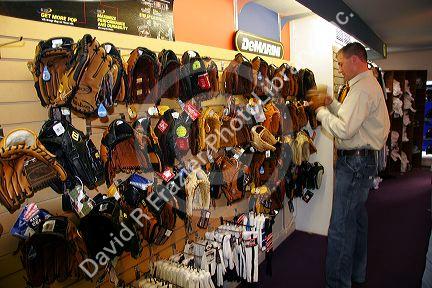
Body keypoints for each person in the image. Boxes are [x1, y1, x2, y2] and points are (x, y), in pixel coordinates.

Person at [309, 42, 390, 288]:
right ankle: (357, 273)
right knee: (356, 220)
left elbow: (344, 129)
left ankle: (337, 283)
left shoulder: (362, 88)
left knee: (341, 227)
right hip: (362, 162)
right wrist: (332, 103)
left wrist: (321, 112)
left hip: (355, 163)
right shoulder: (366, 85)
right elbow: (351, 116)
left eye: (341, 64)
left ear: (355, 60)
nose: (340, 69)